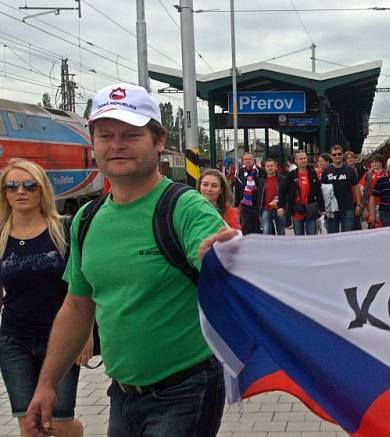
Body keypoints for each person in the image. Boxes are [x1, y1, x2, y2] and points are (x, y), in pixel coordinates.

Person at [25, 83, 226, 437]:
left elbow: (219, 259)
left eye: (131, 135)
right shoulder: (86, 220)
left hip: (185, 391)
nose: (116, 145)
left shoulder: (185, 207)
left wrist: (228, 257)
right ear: (93, 143)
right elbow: (76, 306)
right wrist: (46, 384)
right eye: (105, 135)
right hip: (121, 394)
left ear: (159, 140)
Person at [0, 159, 87, 437]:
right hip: (14, 340)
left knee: (59, 424)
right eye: (12, 186)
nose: (20, 191)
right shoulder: (1, 238)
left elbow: (83, 287)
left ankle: (76, 431)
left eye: (29, 185)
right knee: (29, 425)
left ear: (42, 190)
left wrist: (86, 335)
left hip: (61, 339)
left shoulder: (63, 230)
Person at [321, 145, 362, 233]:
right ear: (331, 156)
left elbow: (356, 187)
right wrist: (322, 208)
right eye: (334, 154)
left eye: (339, 154)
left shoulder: (350, 170)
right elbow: (322, 190)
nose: (337, 156)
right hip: (331, 209)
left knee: (347, 234)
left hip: (347, 207)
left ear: (343, 155)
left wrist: (358, 204)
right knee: (332, 234)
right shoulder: (326, 171)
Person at [286, 150, 325, 236]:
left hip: (310, 209)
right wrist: (287, 208)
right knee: (299, 237)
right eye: (301, 159)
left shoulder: (313, 173)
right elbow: (285, 192)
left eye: (305, 158)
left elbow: (318, 192)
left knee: (312, 237)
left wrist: (322, 209)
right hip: (297, 210)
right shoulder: (291, 175)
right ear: (296, 161)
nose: (303, 160)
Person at [234, 152, 265, 234]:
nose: (248, 161)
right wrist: (236, 205)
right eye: (245, 159)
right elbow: (237, 189)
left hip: (257, 203)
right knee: (246, 226)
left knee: (257, 226)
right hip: (245, 203)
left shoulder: (261, 172)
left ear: (253, 160)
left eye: (249, 159)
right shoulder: (239, 173)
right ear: (242, 161)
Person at [261, 158, 288, 236]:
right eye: (268, 166)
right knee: (266, 232)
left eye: (272, 166)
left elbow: (286, 195)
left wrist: (282, 207)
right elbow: (259, 197)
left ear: (276, 167)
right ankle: (269, 248)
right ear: (265, 168)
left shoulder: (283, 179)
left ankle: (281, 248)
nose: (270, 168)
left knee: (281, 232)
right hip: (266, 209)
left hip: (279, 209)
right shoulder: (261, 180)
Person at [359, 154, 386, 227]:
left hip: (384, 203)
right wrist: (365, 199)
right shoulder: (368, 174)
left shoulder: (386, 173)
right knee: (373, 222)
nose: (374, 164)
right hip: (371, 203)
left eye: (376, 162)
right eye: (372, 162)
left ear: (381, 163)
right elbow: (361, 187)